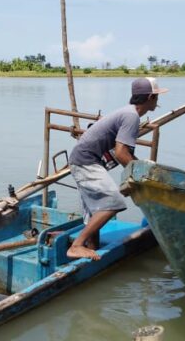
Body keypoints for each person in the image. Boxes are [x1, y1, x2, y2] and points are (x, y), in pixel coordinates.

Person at [66, 77, 168, 260]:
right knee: (115, 202)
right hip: (86, 161)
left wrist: (139, 168)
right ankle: (76, 246)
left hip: (82, 159)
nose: (158, 101)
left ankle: (91, 249)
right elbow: (121, 153)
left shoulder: (127, 112)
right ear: (150, 97)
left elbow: (123, 151)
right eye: (157, 97)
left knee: (94, 209)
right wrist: (138, 175)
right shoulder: (132, 116)